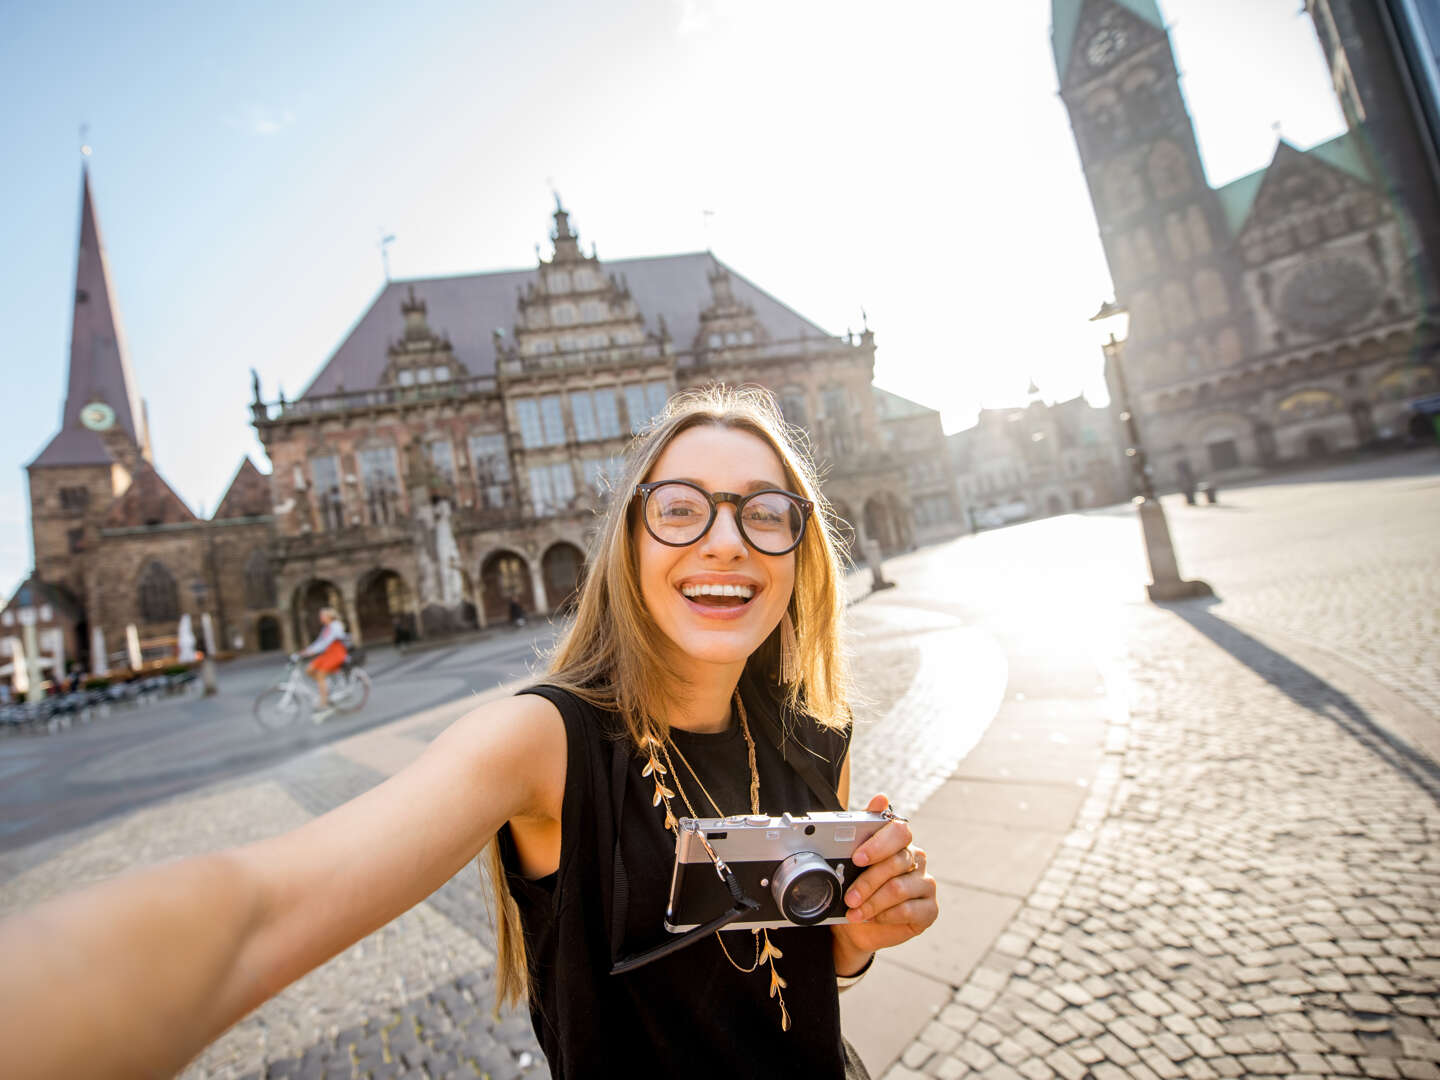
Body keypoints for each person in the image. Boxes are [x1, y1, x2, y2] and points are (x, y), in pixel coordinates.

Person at [0, 386, 938, 1079]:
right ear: (628, 543)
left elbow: (810, 968)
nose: (728, 540)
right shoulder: (541, 743)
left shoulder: (816, 732)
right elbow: (258, 909)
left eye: (765, 514)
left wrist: (860, 931)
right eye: (682, 508)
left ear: (798, 549)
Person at [294, 606, 347, 722]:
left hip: (337, 654)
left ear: (328, 616)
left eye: (322, 615)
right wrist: (306, 650)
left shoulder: (336, 626)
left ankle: (324, 703)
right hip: (328, 654)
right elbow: (319, 641)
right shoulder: (326, 628)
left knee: (320, 675)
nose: (320, 618)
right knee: (309, 669)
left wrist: (311, 652)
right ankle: (325, 686)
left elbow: (327, 642)